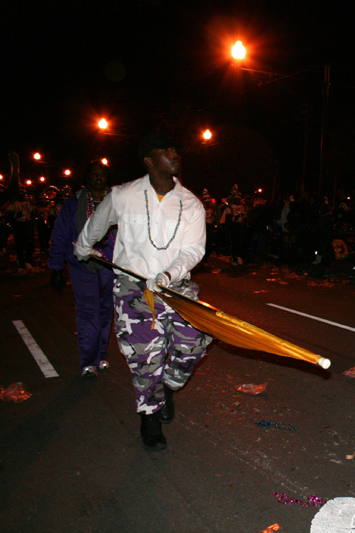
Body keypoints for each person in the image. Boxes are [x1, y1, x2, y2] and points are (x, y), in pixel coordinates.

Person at [74, 132, 212, 450]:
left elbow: (194, 250)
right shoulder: (123, 195)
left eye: (176, 148)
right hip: (133, 289)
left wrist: (168, 274)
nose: (174, 153)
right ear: (149, 159)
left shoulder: (191, 203)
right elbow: (96, 226)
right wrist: (83, 249)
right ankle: (149, 419)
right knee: (145, 357)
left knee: (195, 340)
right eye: (166, 148)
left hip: (174, 286)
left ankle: (169, 385)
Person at [49, 160, 116, 377]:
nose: (98, 178)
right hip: (82, 265)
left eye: (102, 174)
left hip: (111, 266)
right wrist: (57, 267)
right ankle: (89, 361)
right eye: (93, 174)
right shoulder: (74, 203)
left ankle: (101, 354)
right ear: (86, 178)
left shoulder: (118, 201)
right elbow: (60, 234)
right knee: (89, 313)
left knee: (106, 312)